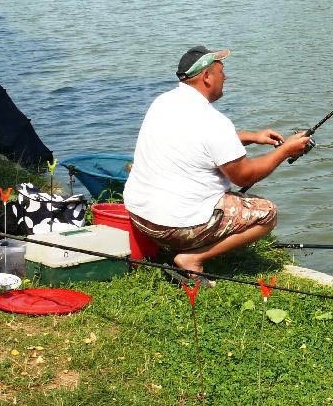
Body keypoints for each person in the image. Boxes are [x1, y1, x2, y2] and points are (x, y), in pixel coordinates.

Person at [123, 46, 312, 278]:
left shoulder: (163, 102)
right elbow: (245, 175)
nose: (226, 77)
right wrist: (285, 151)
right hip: (172, 227)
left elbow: (194, 137)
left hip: (141, 218)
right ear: (206, 77)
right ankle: (193, 257)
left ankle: (180, 244)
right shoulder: (213, 121)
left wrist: (252, 136)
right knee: (267, 214)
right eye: (221, 71)